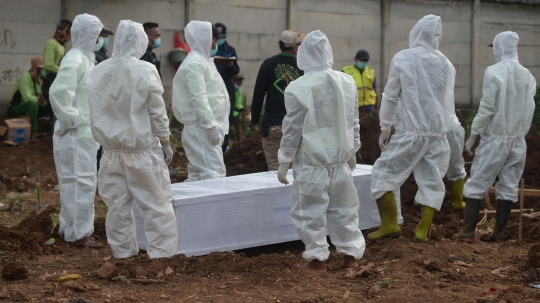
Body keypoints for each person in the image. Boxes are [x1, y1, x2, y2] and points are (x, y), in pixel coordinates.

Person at [87, 20, 178, 259]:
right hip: (142, 151)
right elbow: (157, 112)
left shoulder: (97, 71)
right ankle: (162, 256)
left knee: (117, 206)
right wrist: (165, 141)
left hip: (110, 153)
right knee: (156, 204)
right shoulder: (145, 69)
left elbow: (95, 110)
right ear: (139, 41)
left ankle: (123, 253)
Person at [277, 30, 365, 273]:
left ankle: (317, 262)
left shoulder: (298, 87)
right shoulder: (346, 81)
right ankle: (351, 258)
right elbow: (353, 121)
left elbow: (292, 128)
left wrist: (284, 160)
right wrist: (353, 150)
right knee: (345, 210)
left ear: (303, 54)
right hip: (340, 162)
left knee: (309, 212)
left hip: (312, 162)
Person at [368, 15, 455, 243]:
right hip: (437, 132)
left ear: (416, 33)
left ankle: (389, 225)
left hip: (411, 131)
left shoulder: (403, 58)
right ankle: (422, 229)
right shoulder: (446, 63)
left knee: (383, 173)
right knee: (433, 179)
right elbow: (448, 101)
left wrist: (386, 126)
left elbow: (390, 94)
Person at [457, 31, 536, 243]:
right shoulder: (528, 76)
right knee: (509, 184)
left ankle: (467, 231)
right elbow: (530, 108)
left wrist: (474, 133)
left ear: (500, 47)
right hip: (517, 140)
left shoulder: (494, 72)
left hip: (496, 139)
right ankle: (499, 233)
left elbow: (487, 108)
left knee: (479, 180)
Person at [49, 13, 103, 248]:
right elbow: (59, 92)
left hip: (85, 134)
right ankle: (80, 234)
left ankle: (71, 229)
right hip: (74, 133)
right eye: (99, 35)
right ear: (88, 35)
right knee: (79, 184)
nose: (101, 40)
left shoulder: (87, 59)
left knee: (81, 183)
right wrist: (72, 120)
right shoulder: (75, 59)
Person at [172, 21, 229, 181]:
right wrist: (210, 125)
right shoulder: (194, 64)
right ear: (205, 38)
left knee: (198, 177)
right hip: (201, 128)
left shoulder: (204, 61)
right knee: (213, 175)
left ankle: (189, 206)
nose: (216, 43)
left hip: (204, 127)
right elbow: (199, 97)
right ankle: (212, 207)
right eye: (214, 39)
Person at [251, 29, 303, 170]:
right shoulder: (303, 67)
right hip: (297, 127)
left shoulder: (268, 64)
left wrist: (254, 119)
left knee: (275, 171)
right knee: (296, 172)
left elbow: (258, 94)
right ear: (295, 48)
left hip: (273, 126)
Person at [7, 56, 52, 140]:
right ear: (35, 68)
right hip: (16, 109)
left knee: (51, 104)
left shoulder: (41, 80)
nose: (43, 70)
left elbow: (43, 97)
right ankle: (31, 133)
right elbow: (27, 98)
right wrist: (39, 100)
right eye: (41, 68)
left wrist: (45, 101)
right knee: (33, 105)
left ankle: (55, 130)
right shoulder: (25, 77)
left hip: (31, 108)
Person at [214, 23, 240, 152]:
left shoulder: (230, 49)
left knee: (227, 117)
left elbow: (236, 69)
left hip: (226, 84)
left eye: (221, 37)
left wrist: (230, 66)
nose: (219, 40)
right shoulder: (208, 49)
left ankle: (223, 148)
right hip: (213, 86)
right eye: (217, 37)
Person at [42, 19, 72, 132]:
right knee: (55, 110)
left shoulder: (61, 46)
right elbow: (49, 65)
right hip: (51, 80)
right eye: (68, 29)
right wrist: (64, 70)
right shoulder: (51, 44)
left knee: (57, 111)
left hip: (58, 80)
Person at [342, 50, 378, 116]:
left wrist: (377, 109)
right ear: (355, 59)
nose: (364, 62)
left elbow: (375, 91)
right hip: (352, 109)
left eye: (366, 61)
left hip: (368, 109)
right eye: (362, 60)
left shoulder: (371, 72)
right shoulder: (346, 71)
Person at [232, 73, 245, 140]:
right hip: (227, 113)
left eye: (241, 80)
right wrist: (237, 115)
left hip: (233, 112)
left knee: (239, 122)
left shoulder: (238, 89)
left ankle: (240, 141)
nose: (240, 82)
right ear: (233, 80)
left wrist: (243, 110)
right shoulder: (229, 90)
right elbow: (229, 107)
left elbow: (237, 104)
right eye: (238, 80)